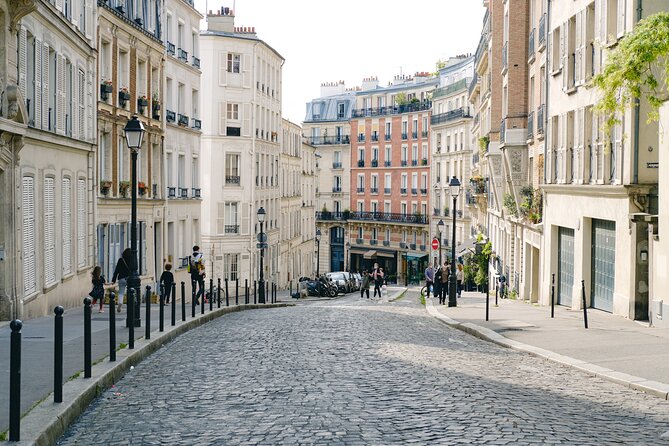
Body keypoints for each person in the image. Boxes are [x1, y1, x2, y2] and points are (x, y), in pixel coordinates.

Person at [111, 248, 134, 312]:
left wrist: (113, 280)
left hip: (121, 278)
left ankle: (120, 302)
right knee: (130, 292)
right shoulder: (132, 260)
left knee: (121, 292)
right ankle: (130, 305)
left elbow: (116, 270)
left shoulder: (121, 260)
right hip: (129, 278)